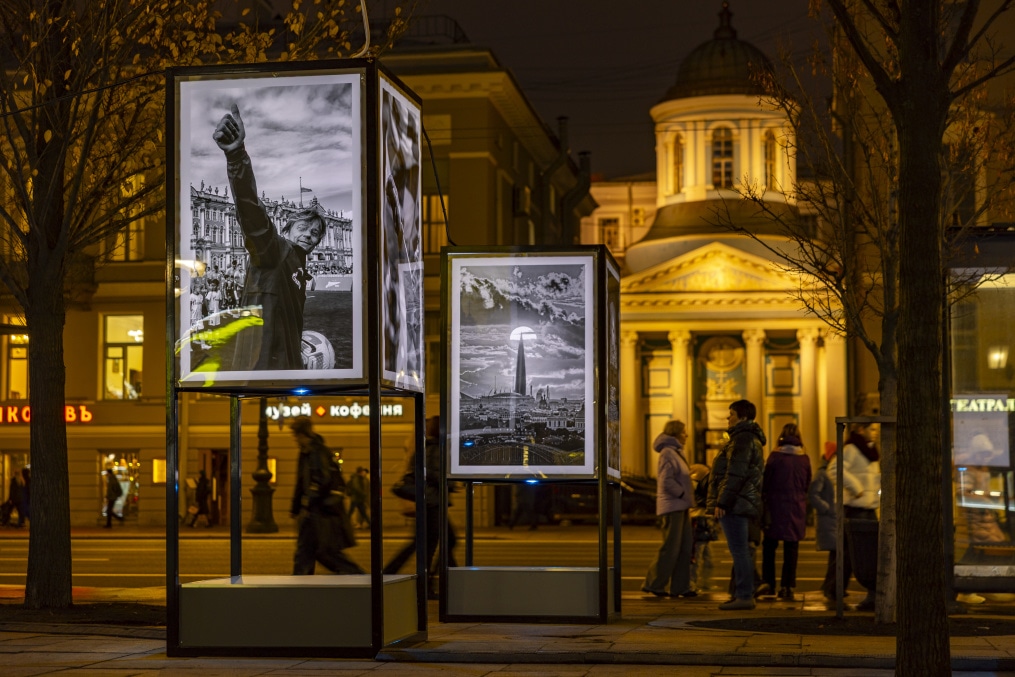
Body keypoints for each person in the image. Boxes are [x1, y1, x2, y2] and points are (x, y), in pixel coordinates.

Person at [213, 103, 326, 371]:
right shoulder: (275, 250)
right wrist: (236, 156)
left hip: (284, 369)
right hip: (262, 371)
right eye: (303, 228)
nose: (310, 235)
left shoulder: (298, 264)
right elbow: (252, 213)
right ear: (285, 229)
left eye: (315, 233)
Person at [383, 416, 458, 597]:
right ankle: (429, 583)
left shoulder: (431, 447)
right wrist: (447, 478)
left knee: (435, 542)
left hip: (432, 502)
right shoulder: (432, 448)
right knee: (434, 544)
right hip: (431, 503)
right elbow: (429, 473)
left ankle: (440, 580)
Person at [707, 399, 765, 611]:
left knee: (740, 551)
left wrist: (723, 501)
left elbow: (735, 474)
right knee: (741, 551)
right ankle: (742, 593)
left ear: (742, 417)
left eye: (731, 414)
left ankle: (744, 595)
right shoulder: (748, 438)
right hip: (741, 502)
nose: (727, 418)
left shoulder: (743, 439)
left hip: (735, 504)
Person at [290, 416, 364, 575]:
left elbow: (320, 480)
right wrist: (295, 507)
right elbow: (301, 482)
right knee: (309, 551)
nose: (295, 439)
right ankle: (299, 588)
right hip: (315, 509)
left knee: (320, 551)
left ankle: (359, 577)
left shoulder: (316, 452)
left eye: (296, 435)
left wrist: (306, 503)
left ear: (302, 434)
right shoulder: (308, 452)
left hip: (318, 511)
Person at [828, 422, 881, 611]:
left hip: (868, 507)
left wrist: (876, 495)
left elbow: (875, 479)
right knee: (853, 552)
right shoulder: (851, 449)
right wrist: (857, 490)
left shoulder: (871, 451)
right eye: (872, 429)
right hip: (854, 507)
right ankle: (835, 588)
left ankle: (837, 588)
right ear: (860, 429)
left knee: (863, 553)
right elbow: (834, 469)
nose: (875, 433)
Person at [641, 420, 695, 598]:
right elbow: (666, 480)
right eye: (684, 432)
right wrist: (681, 493)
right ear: (676, 434)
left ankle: (681, 587)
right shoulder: (668, 453)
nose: (686, 435)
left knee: (684, 548)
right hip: (673, 507)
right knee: (671, 548)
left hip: (682, 506)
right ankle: (654, 584)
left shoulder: (676, 452)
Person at [760, 423, 812, 601]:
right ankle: (787, 586)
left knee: (769, 547)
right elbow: (807, 484)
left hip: (775, 507)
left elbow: (765, 482)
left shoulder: (775, 457)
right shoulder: (804, 458)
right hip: (796, 507)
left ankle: (769, 584)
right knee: (791, 549)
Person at [810, 441, 844, 601]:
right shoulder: (822, 473)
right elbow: (813, 494)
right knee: (837, 553)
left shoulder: (830, 471)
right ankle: (831, 588)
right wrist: (828, 508)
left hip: (833, 518)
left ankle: (830, 586)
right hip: (828, 519)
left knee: (836, 554)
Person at [689, 463, 718, 593]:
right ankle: (692, 584)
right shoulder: (696, 485)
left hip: (704, 521)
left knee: (707, 558)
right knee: (697, 557)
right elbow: (697, 500)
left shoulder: (701, 484)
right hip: (698, 520)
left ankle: (704, 582)